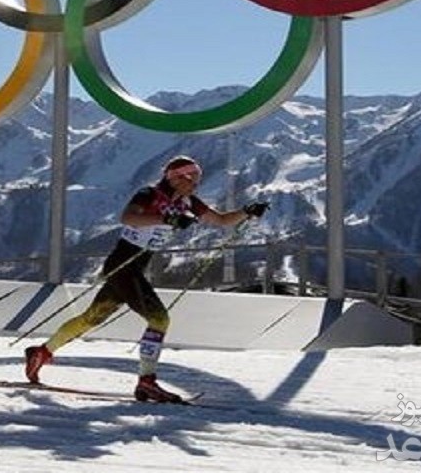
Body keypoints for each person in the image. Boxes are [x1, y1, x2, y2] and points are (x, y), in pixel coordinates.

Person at [23, 156, 269, 403]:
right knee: (159, 318)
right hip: (123, 264)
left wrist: (246, 212)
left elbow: (222, 221)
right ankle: (146, 382)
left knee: (91, 318)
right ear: (176, 178)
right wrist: (168, 219)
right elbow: (129, 218)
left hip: (133, 266)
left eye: (197, 178)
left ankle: (41, 352)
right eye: (192, 178)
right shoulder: (149, 194)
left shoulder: (188, 202)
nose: (196, 183)